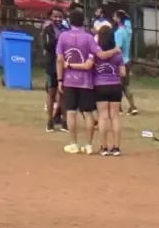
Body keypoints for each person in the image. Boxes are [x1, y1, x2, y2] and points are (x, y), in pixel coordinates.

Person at [58, 10, 98, 156]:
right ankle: (89, 145)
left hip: (69, 80)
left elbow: (60, 59)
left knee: (70, 112)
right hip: (85, 81)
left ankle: (73, 143)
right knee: (88, 113)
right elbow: (96, 55)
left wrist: (60, 79)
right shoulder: (89, 38)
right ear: (83, 21)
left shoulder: (63, 36)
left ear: (70, 21)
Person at [90, 22, 126, 157]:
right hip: (115, 86)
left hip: (100, 86)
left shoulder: (96, 52)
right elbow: (123, 73)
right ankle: (116, 148)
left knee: (103, 117)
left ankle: (104, 147)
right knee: (115, 117)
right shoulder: (118, 54)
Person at [40, 11, 68, 131]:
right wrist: (58, 39)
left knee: (64, 94)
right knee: (51, 92)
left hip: (63, 65)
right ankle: (49, 120)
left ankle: (64, 121)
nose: (58, 19)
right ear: (50, 17)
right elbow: (47, 45)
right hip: (51, 64)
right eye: (55, 17)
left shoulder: (66, 29)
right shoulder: (47, 29)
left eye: (60, 17)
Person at [112, 10, 139, 116]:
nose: (113, 18)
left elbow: (118, 48)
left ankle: (120, 107)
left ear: (119, 19)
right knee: (125, 85)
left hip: (120, 61)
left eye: (115, 17)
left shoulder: (119, 32)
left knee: (118, 85)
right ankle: (132, 106)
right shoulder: (128, 30)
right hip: (127, 59)